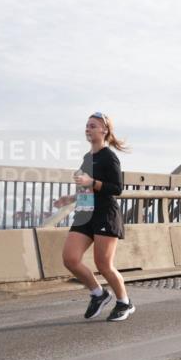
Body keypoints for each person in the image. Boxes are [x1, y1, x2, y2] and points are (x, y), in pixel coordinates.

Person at [54, 112, 135, 322]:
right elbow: (87, 188)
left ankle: (124, 302)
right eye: (87, 126)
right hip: (86, 213)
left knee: (104, 265)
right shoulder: (87, 157)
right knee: (70, 259)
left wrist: (92, 182)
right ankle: (98, 294)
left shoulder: (109, 156)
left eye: (92, 125)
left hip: (105, 215)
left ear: (104, 130)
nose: (88, 129)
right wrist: (70, 198)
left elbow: (117, 188)